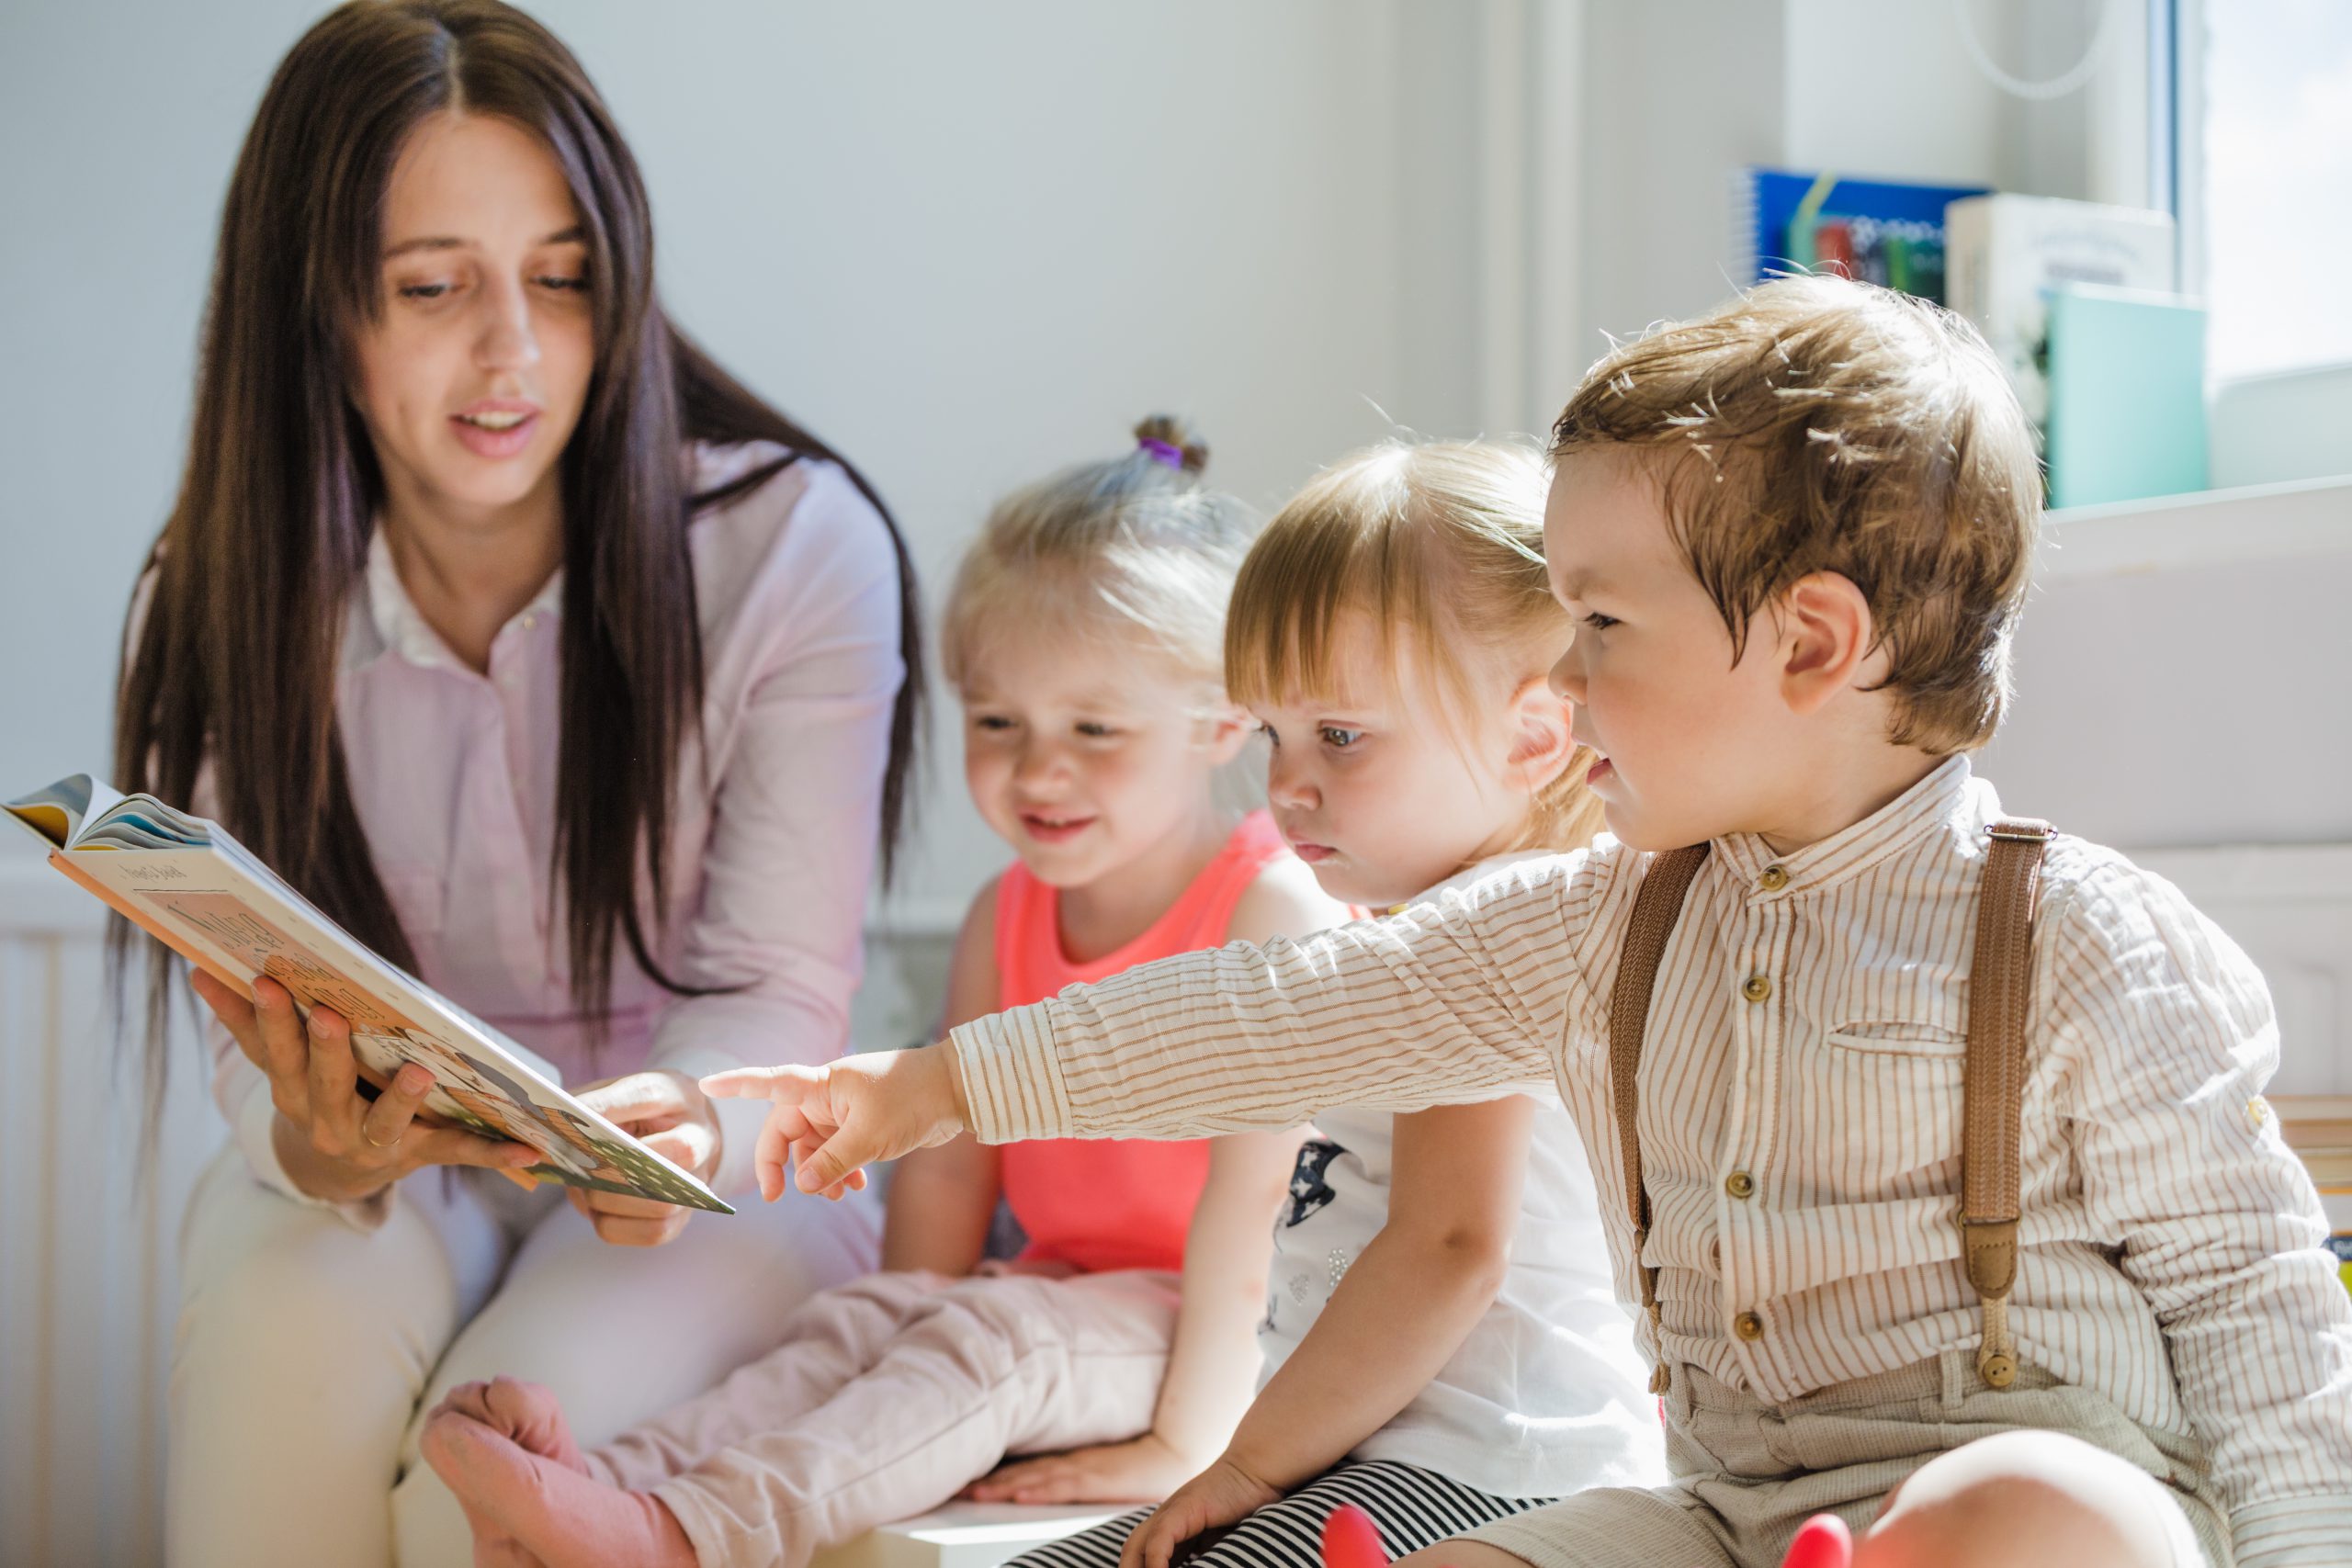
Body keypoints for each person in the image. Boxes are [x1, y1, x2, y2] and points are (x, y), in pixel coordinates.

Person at [701, 279, 2352, 1568]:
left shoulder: (2088, 943)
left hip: (2017, 1487)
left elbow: (2264, 1324)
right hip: (1718, 1518)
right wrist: (926, 1087)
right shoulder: (1596, 924)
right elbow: (1282, 1016)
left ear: (1809, 640)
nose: (1560, 681)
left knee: (2043, 1509)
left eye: (1602, 624)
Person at [115, 4, 921, 1563]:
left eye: (563, 280)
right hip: (387, 1169)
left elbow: (772, 988)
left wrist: (684, 1131)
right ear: (318, 314)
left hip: (709, 1177)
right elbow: (246, 1028)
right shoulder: (217, 592)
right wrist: (316, 1143)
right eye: (433, 289)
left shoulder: (792, 552)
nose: (515, 353)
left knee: (471, 1480)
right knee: (280, 1345)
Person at [423, 421, 1351, 1567]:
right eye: (997, 722)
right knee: (848, 1324)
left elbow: (1255, 1216)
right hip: (1063, 1293)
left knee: (991, 1342)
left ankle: (683, 1535)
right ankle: (595, 1486)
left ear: (1222, 726)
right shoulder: (1001, 917)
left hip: (1218, 1333)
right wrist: (899, 1313)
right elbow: (950, 1159)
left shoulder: (1268, 909)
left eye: (1094, 729)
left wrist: (1189, 1443)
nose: (1035, 769)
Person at [1012, 440, 1663, 1568]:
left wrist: (1246, 1463)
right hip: (1385, 1457)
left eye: (1341, 736)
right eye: (1274, 733)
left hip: (1494, 1474)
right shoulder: (1415, 932)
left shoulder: (1493, 934)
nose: (1286, 786)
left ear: (1532, 738)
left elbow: (1450, 1246)